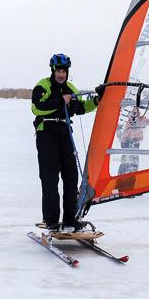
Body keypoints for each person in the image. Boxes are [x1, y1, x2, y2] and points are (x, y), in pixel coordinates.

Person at [32, 53, 104, 233]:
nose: (61, 74)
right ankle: (51, 220)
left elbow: (81, 108)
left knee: (71, 177)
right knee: (50, 179)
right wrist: (60, 101)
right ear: (52, 70)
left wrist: (97, 99)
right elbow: (37, 107)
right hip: (46, 134)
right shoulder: (43, 85)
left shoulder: (71, 87)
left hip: (65, 134)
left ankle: (71, 219)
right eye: (58, 70)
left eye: (64, 71)